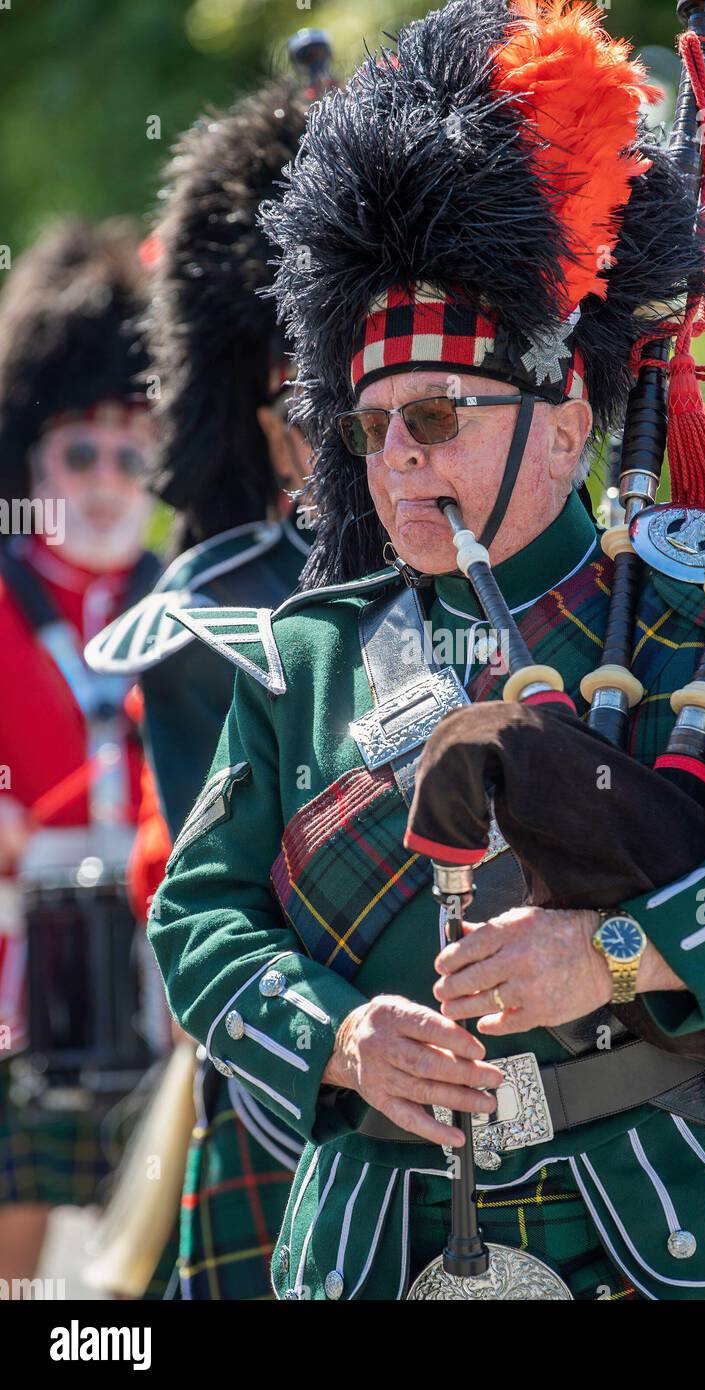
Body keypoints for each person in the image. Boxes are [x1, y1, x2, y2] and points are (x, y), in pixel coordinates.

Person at [149, 0, 705, 1300]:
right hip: (372, 1246)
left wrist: (621, 950)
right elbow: (198, 915)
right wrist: (339, 1036)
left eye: (436, 415)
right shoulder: (307, 654)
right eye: (369, 426)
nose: (395, 461)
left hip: (674, 1235)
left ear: (563, 421)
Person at [85, 75, 317, 1301]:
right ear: (258, 412)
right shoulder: (206, 615)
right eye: (311, 404)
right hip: (295, 1088)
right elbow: (202, 903)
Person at [0, 219, 158, 1282]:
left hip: (151, 974)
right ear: (31, 453)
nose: (107, 480)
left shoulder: (187, 598)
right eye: (81, 452)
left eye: (132, 453)